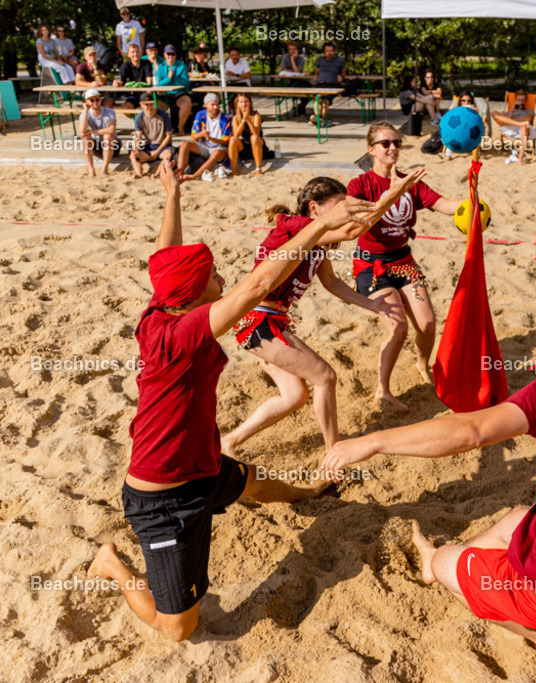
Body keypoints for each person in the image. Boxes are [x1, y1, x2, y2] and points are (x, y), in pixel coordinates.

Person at [85, 158, 393, 642]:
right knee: (179, 629)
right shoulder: (183, 334)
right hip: (163, 497)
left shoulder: (161, 307)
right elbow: (258, 285)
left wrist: (173, 196)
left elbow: (165, 256)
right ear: (193, 296)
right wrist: (317, 227)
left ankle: (312, 491)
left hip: (204, 465)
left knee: (254, 483)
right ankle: (111, 564)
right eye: (212, 278)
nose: (222, 281)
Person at [320, 228, 536, 660]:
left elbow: (470, 432)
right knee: (515, 518)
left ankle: (532, 632)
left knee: (440, 562)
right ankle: (479, 575)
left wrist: (373, 442)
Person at [222, 173, 422, 458]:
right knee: (326, 377)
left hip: (271, 320)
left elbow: (332, 283)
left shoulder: (315, 238)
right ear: (314, 207)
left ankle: (230, 441)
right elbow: (354, 231)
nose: (344, 212)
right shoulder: (298, 226)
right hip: (258, 320)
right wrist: (392, 194)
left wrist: (372, 305)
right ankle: (334, 453)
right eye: (339, 205)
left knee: (294, 396)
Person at [344, 121, 462, 409]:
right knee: (398, 329)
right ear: (371, 149)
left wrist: (470, 202)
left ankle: (423, 364)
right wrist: (393, 192)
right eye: (385, 143)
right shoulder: (359, 185)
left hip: (403, 261)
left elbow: (444, 204)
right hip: (371, 266)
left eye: (396, 142)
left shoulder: (412, 182)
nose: (393, 148)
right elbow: (362, 221)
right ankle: (382, 389)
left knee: (428, 324)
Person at [177, 93, 230, 182]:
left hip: (219, 147)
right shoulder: (200, 115)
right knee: (184, 143)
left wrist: (210, 138)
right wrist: (202, 134)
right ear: (206, 105)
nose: (216, 107)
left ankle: (194, 176)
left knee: (216, 153)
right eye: (212, 105)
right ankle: (179, 173)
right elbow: (194, 137)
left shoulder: (225, 118)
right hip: (205, 145)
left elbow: (225, 141)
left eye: (217, 104)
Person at [130, 93, 174, 178]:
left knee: (168, 155)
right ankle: (139, 173)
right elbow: (138, 136)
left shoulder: (163, 114)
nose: (149, 107)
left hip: (163, 146)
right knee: (133, 154)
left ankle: (157, 174)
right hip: (149, 147)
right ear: (141, 104)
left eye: (151, 104)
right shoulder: (139, 117)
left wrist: (157, 151)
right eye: (146, 105)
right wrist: (137, 148)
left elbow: (168, 136)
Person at [78, 89, 119, 177]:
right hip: (97, 146)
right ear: (86, 102)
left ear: (101, 100)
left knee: (107, 137)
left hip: (113, 146)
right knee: (85, 138)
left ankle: (104, 170)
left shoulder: (109, 111)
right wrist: (85, 111)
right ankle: (91, 170)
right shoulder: (84, 114)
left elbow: (111, 130)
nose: (95, 102)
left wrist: (93, 132)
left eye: (97, 99)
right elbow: (82, 130)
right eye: (91, 100)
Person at [492, 90, 536, 166]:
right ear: (515, 100)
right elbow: (504, 122)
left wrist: (510, 121)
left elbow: (529, 119)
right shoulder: (509, 112)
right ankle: (519, 124)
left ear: (525, 101)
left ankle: (520, 158)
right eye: (518, 100)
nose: (520, 103)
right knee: (494, 113)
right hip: (512, 129)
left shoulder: (529, 111)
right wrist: (512, 112)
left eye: (522, 100)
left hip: (526, 129)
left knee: (523, 126)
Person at [225, 93, 267, 176]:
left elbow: (256, 132)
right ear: (237, 104)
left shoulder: (255, 115)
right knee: (233, 139)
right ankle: (233, 171)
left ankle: (258, 169)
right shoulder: (236, 118)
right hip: (245, 145)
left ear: (250, 103)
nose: (244, 104)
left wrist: (248, 120)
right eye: (241, 102)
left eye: (246, 102)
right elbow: (236, 134)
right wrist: (243, 121)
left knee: (254, 137)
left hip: (257, 144)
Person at [156, 44, 192, 135]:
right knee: (155, 105)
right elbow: (158, 83)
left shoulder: (182, 66)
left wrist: (173, 77)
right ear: (164, 55)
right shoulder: (161, 67)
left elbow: (186, 83)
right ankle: (165, 130)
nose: (170, 56)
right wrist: (168, 78)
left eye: (173, 54)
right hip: (164, 94)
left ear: (175, 55)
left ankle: (180, 127)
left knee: (187, 103)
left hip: (178, 93)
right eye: (168, 54)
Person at [311, 42, 345, 126]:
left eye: (331, 50)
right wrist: (315, 77)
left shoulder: (339, 60)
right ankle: (320, 119)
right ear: (324, 52)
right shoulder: (320, 59)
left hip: (332, 84)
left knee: (325, 101)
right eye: (327, 51)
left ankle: (319, 119)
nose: (329, 52)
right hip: (320, 83)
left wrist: (341, 76)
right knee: (317, 98)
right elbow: (317, 71)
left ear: (334, 51)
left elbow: (343, 73)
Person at [115, 43, 154, 108]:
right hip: (132, 95)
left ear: (140, 53)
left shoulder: (147, 63)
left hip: (144, 93)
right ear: (128, 54)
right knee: (125, 108)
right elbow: (119, 80)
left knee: (147, 103)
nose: (135, 54)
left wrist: (148, 93)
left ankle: (141, 115)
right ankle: (137, 117)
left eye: (137, 51)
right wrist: (116, 83)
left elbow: (149, 81)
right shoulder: (126, 65)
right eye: (132, 52)